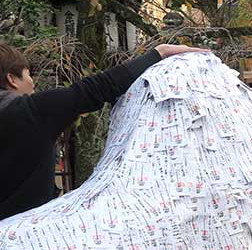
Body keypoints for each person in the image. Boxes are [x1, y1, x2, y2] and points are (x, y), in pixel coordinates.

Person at [0, 42, 207, 221]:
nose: (32, 81)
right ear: (12, 78)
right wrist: (158, 54)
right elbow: (97, 88)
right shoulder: (31, 113)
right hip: (22, 245)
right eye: (28, 74)